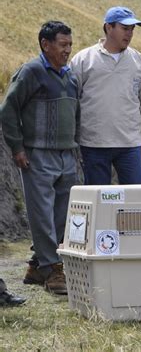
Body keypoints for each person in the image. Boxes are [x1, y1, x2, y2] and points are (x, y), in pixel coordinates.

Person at [1, 21, 79, 295]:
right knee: (41, 214)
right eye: (62, 44)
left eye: (70, 44)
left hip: (66, 155)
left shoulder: (71, 77)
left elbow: (75, 115)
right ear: (46, 45)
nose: (68, 50)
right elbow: (8, 110)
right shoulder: (31, 72)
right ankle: (52, 269)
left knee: (64, 214)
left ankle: (37, 265)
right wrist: (18, 148)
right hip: (36, 155)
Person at [70, 6, 141, 185]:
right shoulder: (83, 60)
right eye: (125, 28)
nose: (129, 34)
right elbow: (71, 102)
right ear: (108, 27)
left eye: (132, 29)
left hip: (129, 146)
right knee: (98, 200)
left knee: (136, 200)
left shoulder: (140, 62)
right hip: (93, 144)